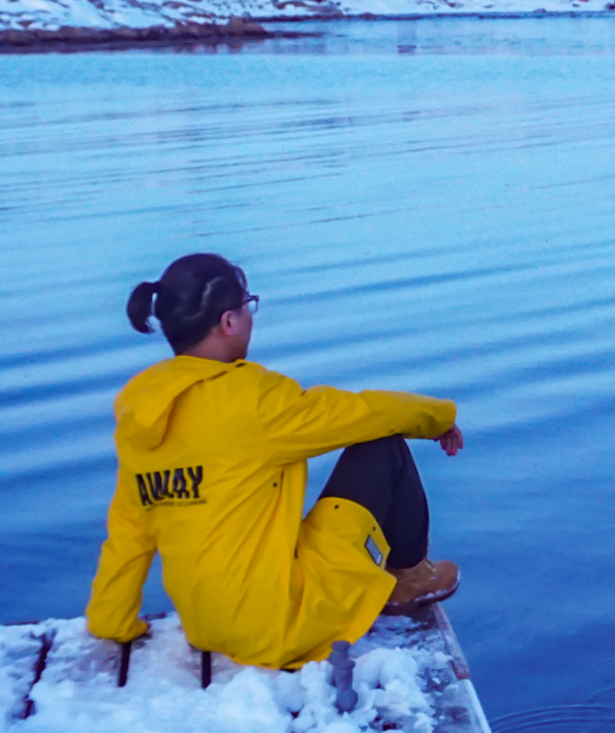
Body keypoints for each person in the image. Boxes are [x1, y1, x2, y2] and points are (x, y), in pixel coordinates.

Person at [85, 253, 463, 669]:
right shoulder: (254, 401)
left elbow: (128, 529)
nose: (251, 316)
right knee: (381, 445)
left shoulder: (139, 409)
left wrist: (111, 619)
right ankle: (410, 577)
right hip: (280, 626)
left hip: (205, 626)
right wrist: (439, 417)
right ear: (228, 321)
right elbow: (366, 412)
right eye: (249, 304)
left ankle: (399, 576)